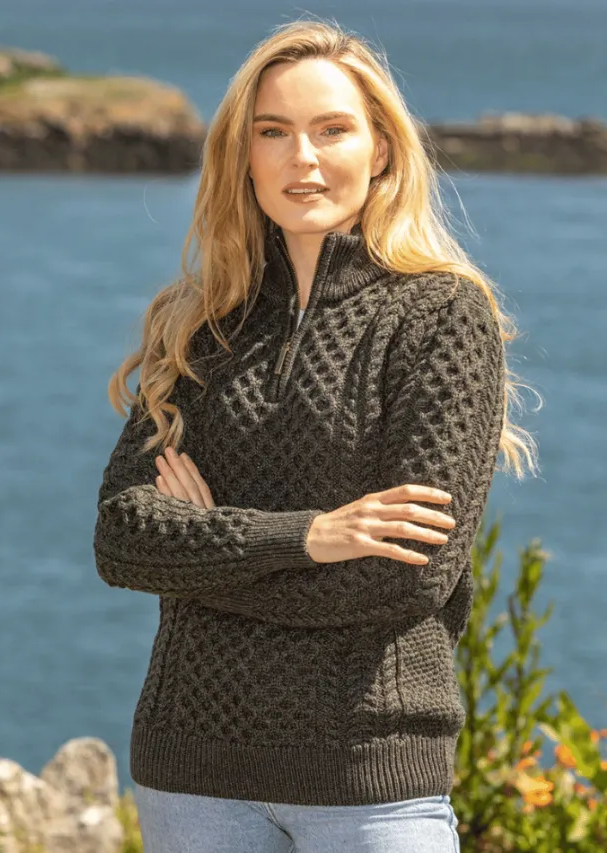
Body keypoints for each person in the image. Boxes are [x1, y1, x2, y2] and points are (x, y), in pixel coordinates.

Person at [93, 18, 538, 853]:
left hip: (369, 779)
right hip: (192, 775)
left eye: (332, 129)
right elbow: (123, 538)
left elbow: (407, 575)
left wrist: (207, 546)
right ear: (244, 155)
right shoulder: (197, 325)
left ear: (381, 149)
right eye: (274, 132)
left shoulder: (442, 317)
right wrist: (310, 536)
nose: (303, 158)